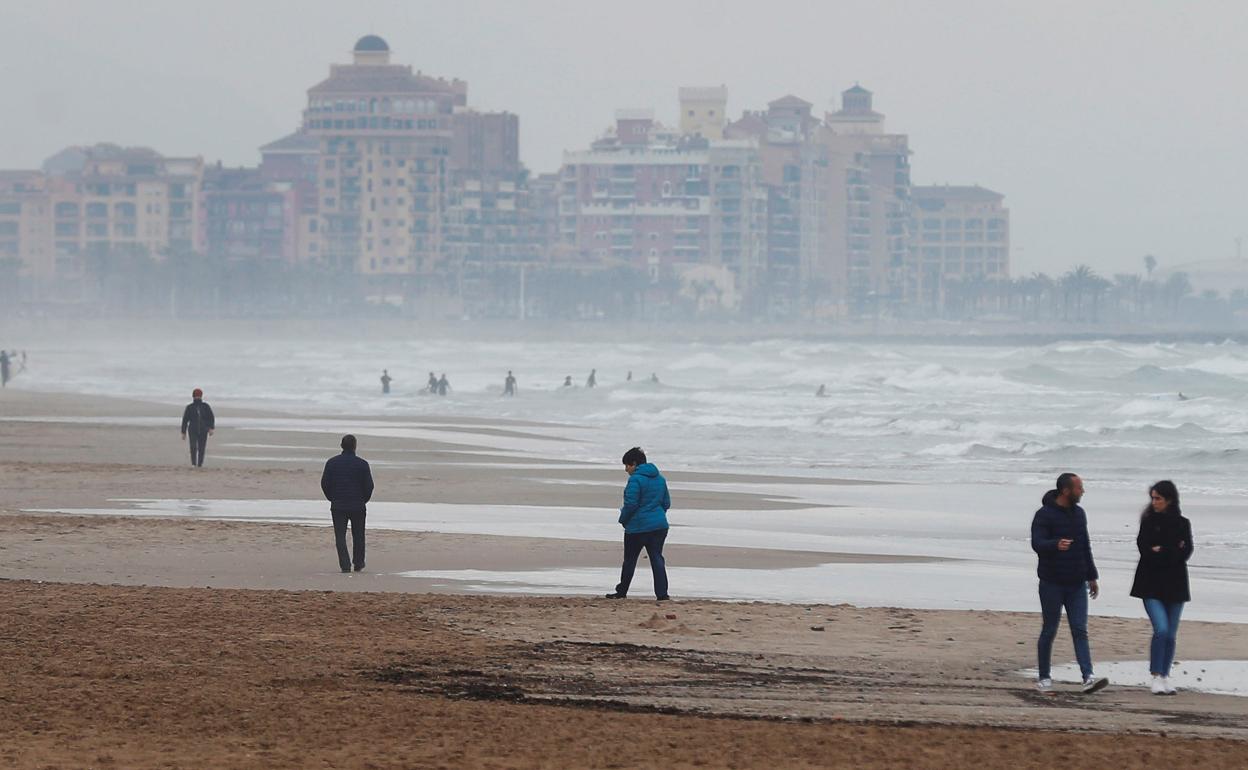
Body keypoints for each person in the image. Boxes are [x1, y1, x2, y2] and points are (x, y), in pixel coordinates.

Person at [1031, 473, 1108, 695]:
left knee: (1080, 630)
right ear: (1066, 491)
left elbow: (1085, 545)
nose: (1082, 491)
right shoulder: (1044, 515)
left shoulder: (1079, 514)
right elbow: (1037, 543)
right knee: (1049, 630)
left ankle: (1088, 677)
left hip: (1077, 583)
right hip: (1051, 582)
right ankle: (1044, 678)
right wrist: (1055, 544)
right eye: (1079, 488)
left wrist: (1092, 576)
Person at [1129, 480, 1193, 695]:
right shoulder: (1148, 522)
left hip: (1176, 584)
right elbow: (1145, 549)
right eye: (1153, 498)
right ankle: (1156, 675)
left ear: (1169, 500)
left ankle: (1165, 675)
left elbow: (1186, 551)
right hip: (1150, 583)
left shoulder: (1183, 523)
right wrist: (1169, 550)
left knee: (1171, 634)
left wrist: (1163, 550)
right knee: (1162, 629)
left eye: (1158, 498)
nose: (1154, 502)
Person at [605, 447, 671, 601]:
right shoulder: (660, 479)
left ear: (634, 464)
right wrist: (657, 515)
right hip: (659, 526)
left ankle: (622, 592)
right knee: (657, 558)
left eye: (627, 465)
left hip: (637, 527)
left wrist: (623, 519)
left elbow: (631, 504)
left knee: (630, 560)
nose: (626, 469)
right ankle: (662, 594)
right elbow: (666, 503)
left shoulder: (635, 479)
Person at [320, 434, 374, 573]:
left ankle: (345, 565)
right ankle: (358, 562)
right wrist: (363, 500)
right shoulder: (362, 464)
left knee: (340, 536)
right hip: (357, 505)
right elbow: (369, 486)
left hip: (338, 505)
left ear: (341, 446)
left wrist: (332, 498)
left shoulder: (332, 463)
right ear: (355, 446)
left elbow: (325, 484)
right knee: (359, 535)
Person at [180, 388, 216, 467]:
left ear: (201, 396)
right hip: (192, 429)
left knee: (201, 448)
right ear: (193, 397)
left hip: (204, 429)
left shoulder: (205, 406)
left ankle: (200, 464)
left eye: (199, 396)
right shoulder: (190, 407)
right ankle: (193, 463)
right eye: (196, 396)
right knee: (193, 447)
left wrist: (211, 428)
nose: (197, 397)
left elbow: (211, 418)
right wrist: (183, 432)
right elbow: (185, 420)